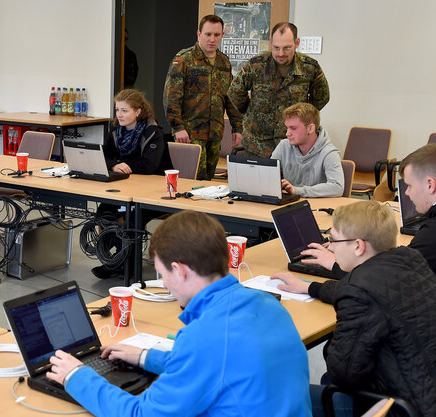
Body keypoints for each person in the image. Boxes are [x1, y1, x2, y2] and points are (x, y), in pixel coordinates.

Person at [50, 210, 311, 416]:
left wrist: (77, 376)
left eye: (162, 274)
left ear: (180, 270)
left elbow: (141, 414)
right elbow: (217, 363)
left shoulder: (205, 336)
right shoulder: (266, 304)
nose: (164, 284)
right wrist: (145, 357)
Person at [273, 201, 436, 416]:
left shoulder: (360, 290)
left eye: (333, 240)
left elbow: (344, 375)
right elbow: (373, 291)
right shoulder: (409, 259)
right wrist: (311, 288)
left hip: (408, 409)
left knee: (280, 395)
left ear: (358, 246)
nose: (332, 247)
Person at [279, 144, 436, 330]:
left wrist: (315, 285)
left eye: (409, 185)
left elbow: (379, 288)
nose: (406, 192)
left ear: (430, 184)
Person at [91, 88, 171, 279]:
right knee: (104, 212)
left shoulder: (153, 132)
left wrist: (123, 166)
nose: (119, 114)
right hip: (127, 188)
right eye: (117, 110)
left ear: (138, 112)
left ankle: (127, 265)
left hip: (156, 192)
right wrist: (115, 164)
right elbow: (105, 155)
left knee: (130, 217)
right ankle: (113, 261)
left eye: (125, 110)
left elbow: (149, 166)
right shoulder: (116, 131)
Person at [228, 22, 330, 158]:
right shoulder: (256, 65)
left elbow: (322, 97)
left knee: (290, 180)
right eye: (276, 48)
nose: (281, 53)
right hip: (258, 145)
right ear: (271, 43)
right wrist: (252, 112)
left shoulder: (310, 68)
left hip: (293, 145)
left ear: (297, 43)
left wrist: (303, 116)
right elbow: (235, 92)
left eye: (287, 48)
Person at [163, 14, 243, 180]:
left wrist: (237, 128)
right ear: (199, 34)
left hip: (214, 133)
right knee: (193, 181)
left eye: (216, 35)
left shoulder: (224, 62)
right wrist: (178, 127)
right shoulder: (184, 60)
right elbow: (171, 97)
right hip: (190, 134)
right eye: (208, 34)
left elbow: (230, 99)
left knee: (208, 182)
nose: (212, 39)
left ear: (222, 35)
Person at [271, 102, 343, 197]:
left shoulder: (329, 153)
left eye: (293, 128)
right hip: (289, 205)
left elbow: (337, 187)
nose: (287, 133)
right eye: (287, 128)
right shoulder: (284, 146)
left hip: (317, 207)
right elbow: (268, 176)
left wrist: (297, 190)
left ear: (310, 128)